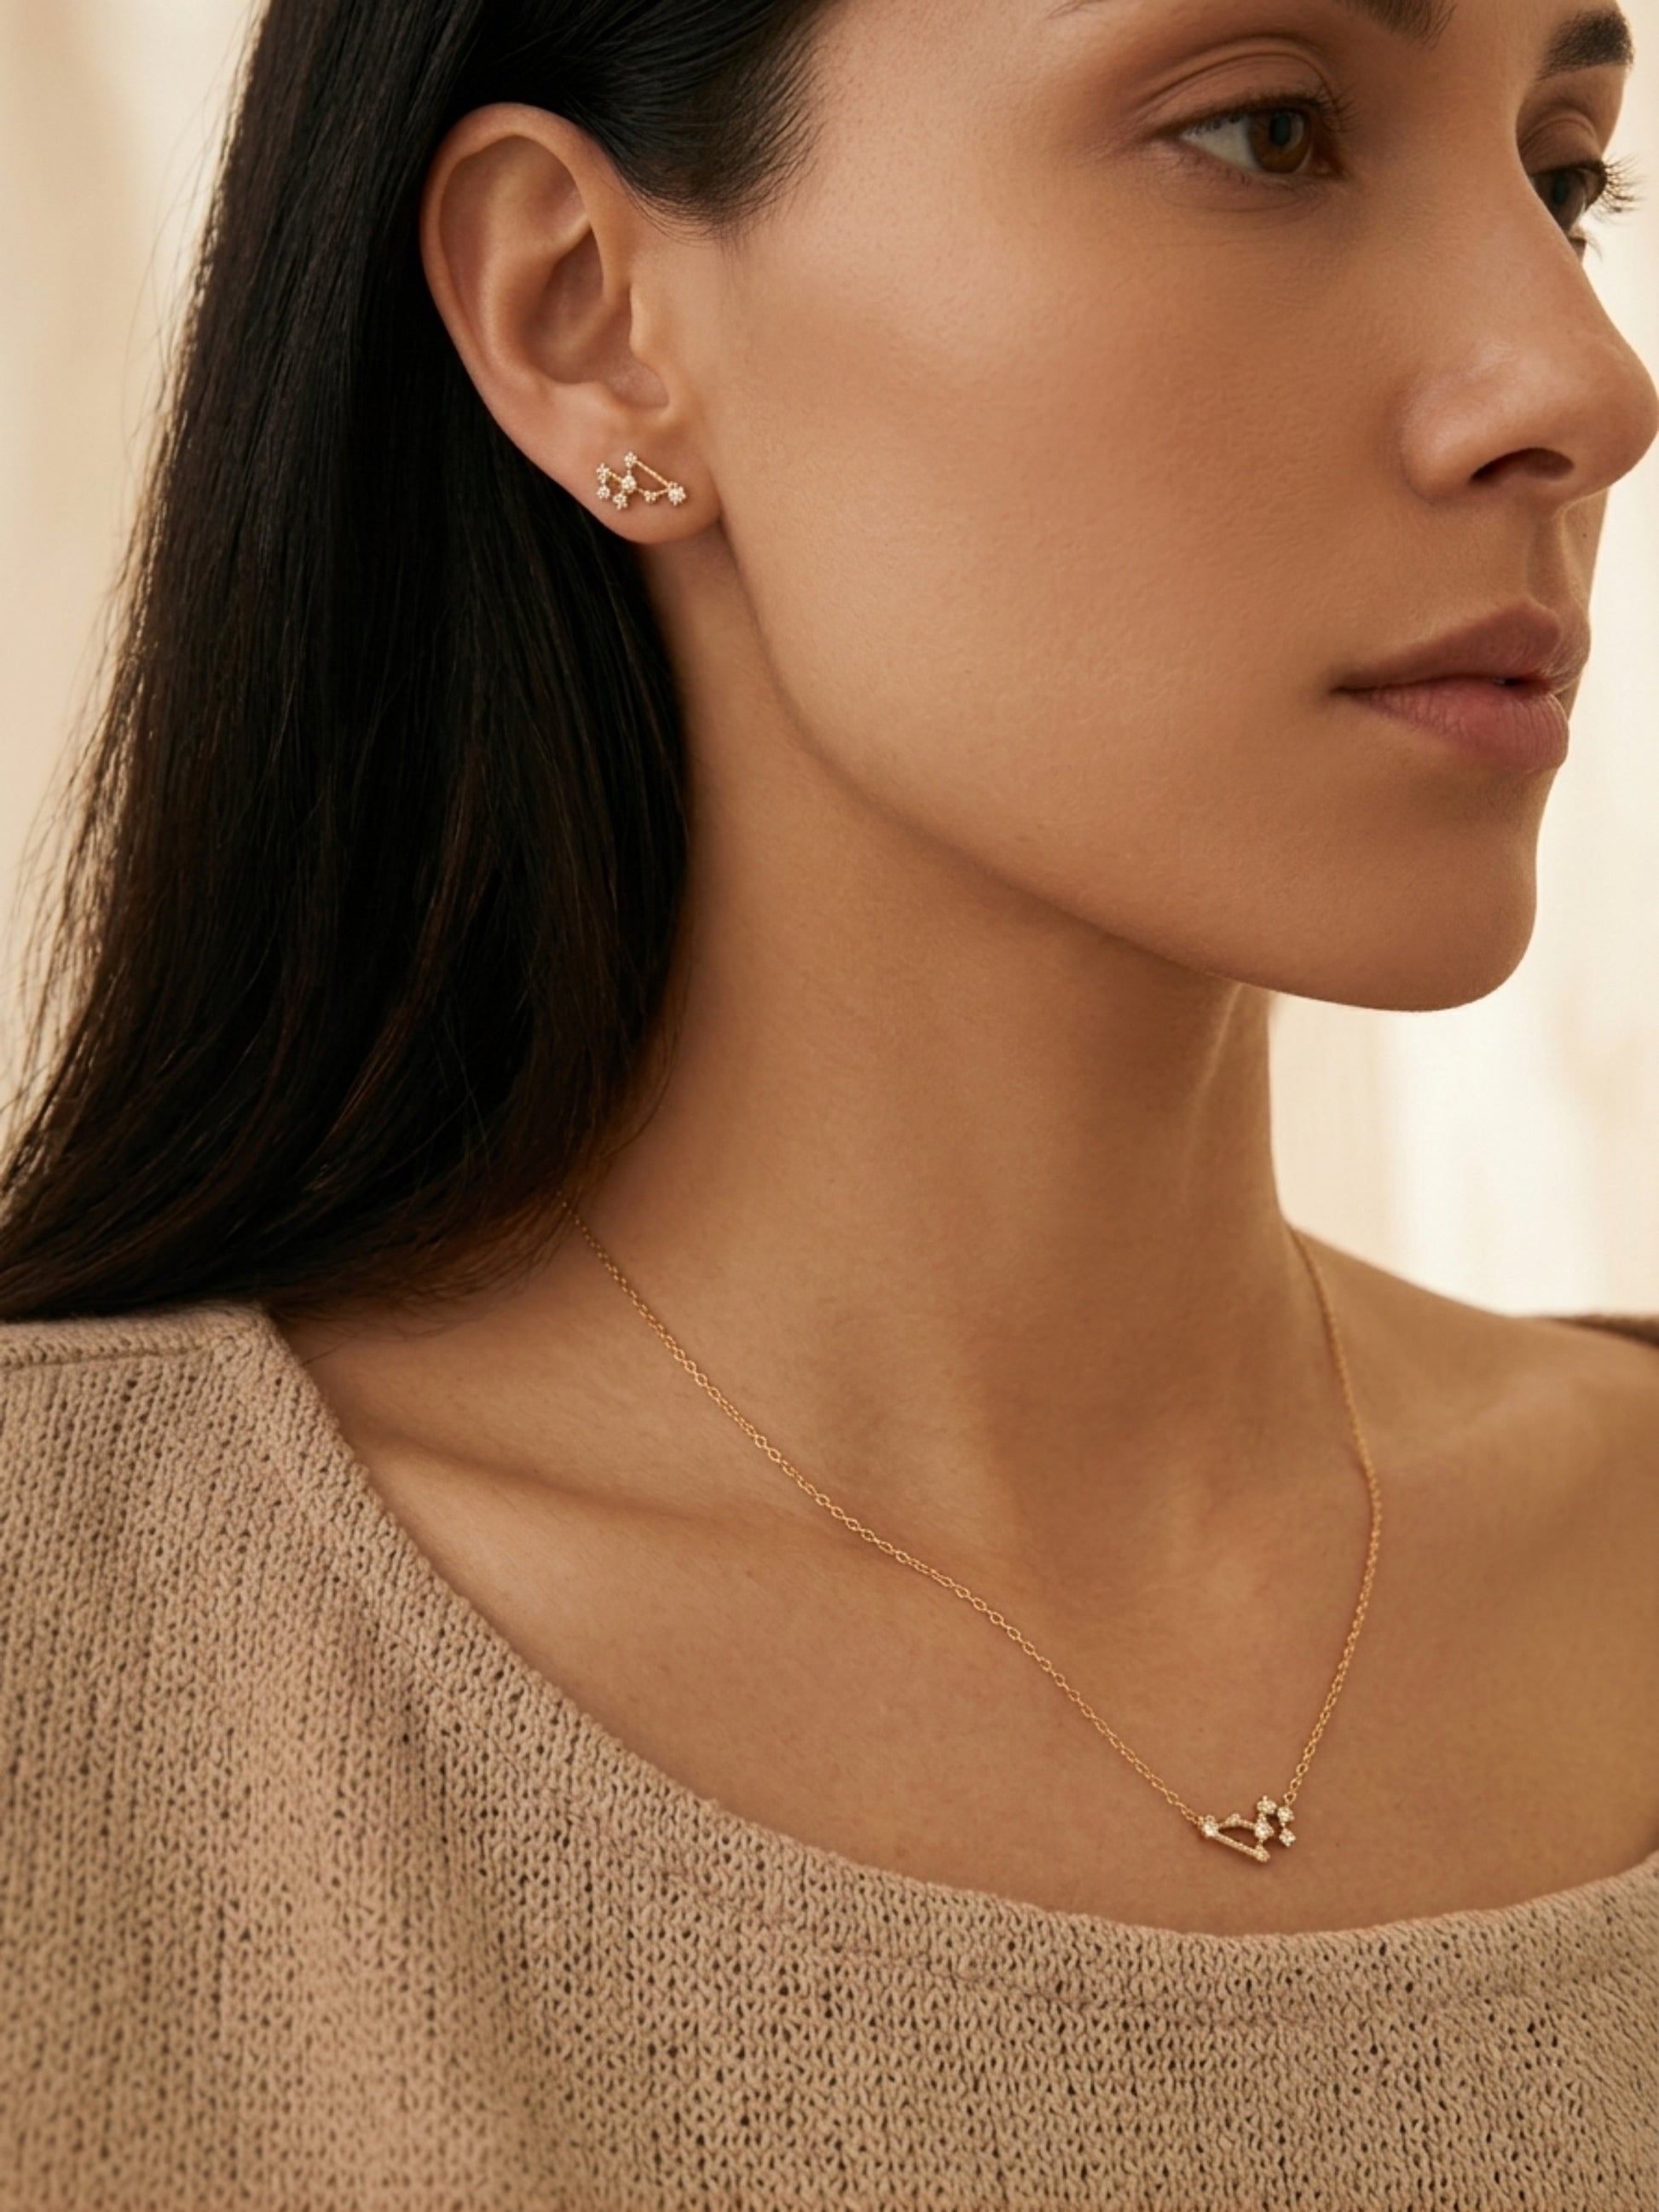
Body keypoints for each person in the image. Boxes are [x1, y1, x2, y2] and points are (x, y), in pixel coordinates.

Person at [3, 0, 1657, 2202]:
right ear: (584, 317)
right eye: (1264, 130)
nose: (1581, 383)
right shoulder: (78, 1686)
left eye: (1564, 177)